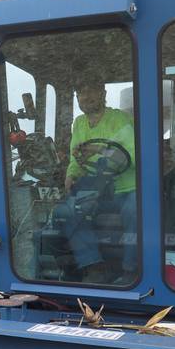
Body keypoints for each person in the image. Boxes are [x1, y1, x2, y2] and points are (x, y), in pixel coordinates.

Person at [61, 76, 137, 284]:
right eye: (81, 94)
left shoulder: (119, 119)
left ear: (103, 94)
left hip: (126, 186)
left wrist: (98, 149)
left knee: (135, 210)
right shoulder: (79, 123)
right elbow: (75, 157)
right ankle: (93, 265)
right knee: (67, 211)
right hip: (97, 186)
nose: (86, 97)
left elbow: (131, 156)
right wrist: (71, 174)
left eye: (91, 91)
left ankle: (131, 271)